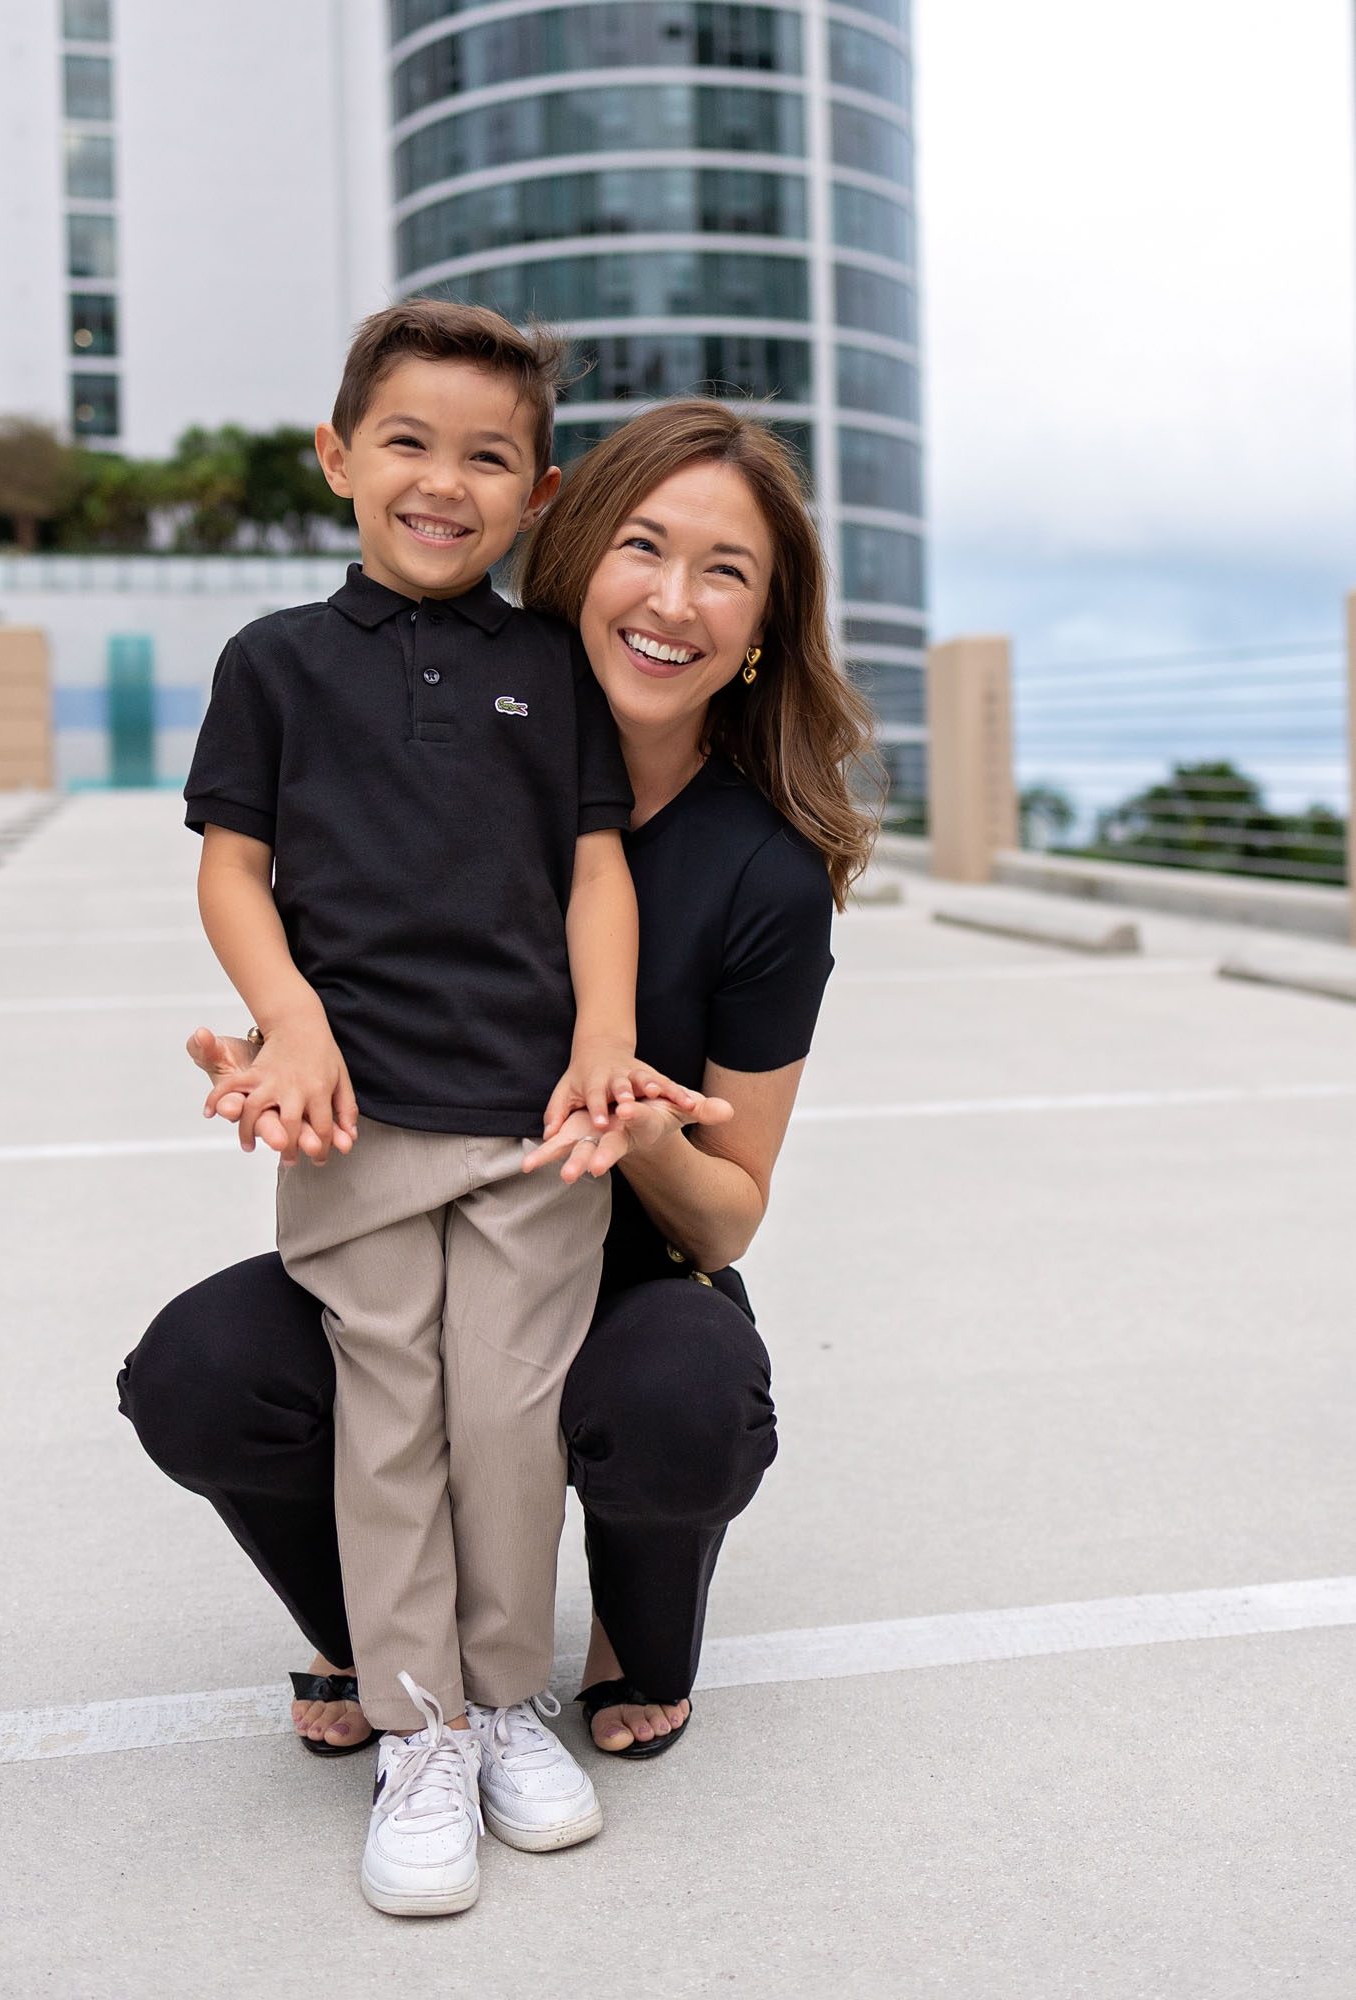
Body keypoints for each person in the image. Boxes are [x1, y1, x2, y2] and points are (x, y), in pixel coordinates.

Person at [119, 390, 877, 1864]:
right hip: (406, 1192)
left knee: (674, 1396)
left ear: (767, 622)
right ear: (570, 543)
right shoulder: (444, 732)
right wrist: (280, 1035)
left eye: (726, 571)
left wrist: (635, 1117)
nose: (673, 600)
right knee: (205, 1375)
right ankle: (398, 1670)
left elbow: (728, 1215)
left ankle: (609, 1652)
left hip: (623, 1260)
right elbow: (282, 903)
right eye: (644, 547)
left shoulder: (760, 874)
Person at [179, 298, 697, 1918]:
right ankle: (418, 1730)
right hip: (354, 1128)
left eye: (489, 457)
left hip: (536, 1129)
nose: (443, 480)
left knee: (507, 1420)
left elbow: (596, 869)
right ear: (338, 457)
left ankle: (507, 1700)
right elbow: (232, 870)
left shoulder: (553, 668)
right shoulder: (270, 665)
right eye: (406, 441)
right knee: (388, 1425)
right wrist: (291, 1018)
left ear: (536, 497)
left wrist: (603, 1033)